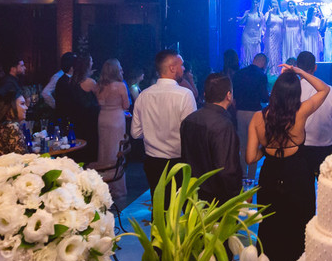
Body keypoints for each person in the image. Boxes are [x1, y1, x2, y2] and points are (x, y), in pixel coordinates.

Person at [247, 64, 330, 261]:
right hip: (297, 176)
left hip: (270, 175)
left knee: (269, 233)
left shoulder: (258, 118)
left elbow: (250, 157)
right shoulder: (300, 112)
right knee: (298, 232)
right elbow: (324, 89)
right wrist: (299, 71)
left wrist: (266, 150)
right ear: (295, 94)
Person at [131, 49, 198, 192]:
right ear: (172, 68)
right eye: (181, 65)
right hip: (178, 162)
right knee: (180, 202)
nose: (184, 68)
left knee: (158, 203)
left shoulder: (144, 95)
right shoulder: (185, 95)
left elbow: (135, 133)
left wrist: (153, 135)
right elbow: (191, 134)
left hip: (152, 161)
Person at [180, 73, 243, 204]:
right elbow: (226, 169)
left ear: (205, 94)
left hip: (193, 193)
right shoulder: (223, 125)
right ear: (229, 95)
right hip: (216, 199)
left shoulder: (189, 119)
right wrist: (238, 194)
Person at [294, 51, 332, 173]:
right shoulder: (330, 90)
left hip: (299, 148)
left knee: (302, 184)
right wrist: (325, 122)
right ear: (315, 67)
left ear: (297, 67)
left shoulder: (293, 90)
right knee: (326, 184)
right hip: (324, 148)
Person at [95, 58, 131, 198]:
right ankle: (117, 187)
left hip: (103, 118)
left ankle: (105, 186)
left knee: (104, 149)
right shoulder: (120, 85)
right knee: (116, 150)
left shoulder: (99, 86)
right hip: (116, 119)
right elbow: (126, 105)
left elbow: (99, 102)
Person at [232, 53, 269, 179]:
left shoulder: (239, 74)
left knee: (242, 145)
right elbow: (264, 97)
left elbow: (234, 94)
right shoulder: (261, 75)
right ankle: (251, 177)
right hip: (255, 113)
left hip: (240, 112)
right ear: (263, 62)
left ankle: (242, 175)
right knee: (254, 145)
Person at [64, 54, 100, 163]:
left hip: (76, 121)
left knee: (77, 150)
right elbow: (100, 100)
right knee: (90, 150)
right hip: (90, 122)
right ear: (87, 65)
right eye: (91, 61)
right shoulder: (90, 82)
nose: (93, 63)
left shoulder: (71, 81)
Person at [0, 92, 28, 159]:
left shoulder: (2, 125)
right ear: (11, 107)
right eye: (22, 104)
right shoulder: (12, 127)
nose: (26, 107)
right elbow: (23, 158)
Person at [238, 0, 264, 67]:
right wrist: (245, 16)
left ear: (258, 4)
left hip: (256, 35)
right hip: (247, 34)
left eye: (256, 3)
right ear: (251, 4)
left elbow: (262, 25)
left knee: (255, 51)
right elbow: (241, 23)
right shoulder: (247, 12)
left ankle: (255, 66)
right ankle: (246, 66)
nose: (255, 4)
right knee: (247, 51)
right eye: (253, 3)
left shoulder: (260, 14)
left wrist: (259, 36)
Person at [264, 0, 284, 68]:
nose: (274, 6)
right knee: (270, 51)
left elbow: (283, 25)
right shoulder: (267, 13)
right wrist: (270, 13)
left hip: (278, 36)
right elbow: (268, 23)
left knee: (277, 51)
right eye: (273, 4)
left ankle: (276, 68)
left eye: (275, 4)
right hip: (270, 35)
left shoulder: (280, 15)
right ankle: (270, 68)